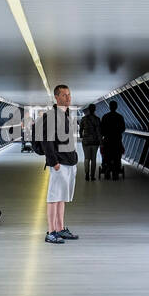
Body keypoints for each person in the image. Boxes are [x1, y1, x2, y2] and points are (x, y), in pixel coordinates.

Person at [38, 84, 80, 244]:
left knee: (62, 197)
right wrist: (54, 162)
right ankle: (51, 231)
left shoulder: (66, 114)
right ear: (56, 97)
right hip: (59, 163)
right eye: (64, 95)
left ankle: (60, 228)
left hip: (69, 161)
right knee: (54, 197)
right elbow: (46, 141)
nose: (68, 98)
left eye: (69, 94)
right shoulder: (52, 116)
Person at [99, 100, 126, 179]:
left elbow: (101, 129)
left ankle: (106, 168)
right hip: (117, 140)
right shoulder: (120, 117)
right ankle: (116, 171)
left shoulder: (105, 117)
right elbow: (123, 128)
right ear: (116, 107)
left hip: (107, 140)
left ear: (109, 107)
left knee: (106, 155)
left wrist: (105, 135)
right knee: (117, 156)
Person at [79, 103, 101, 181]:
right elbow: (99, 131)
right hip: (95, 142)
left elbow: (80, 129)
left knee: (86, 158)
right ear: (95, 109)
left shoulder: (84, 119)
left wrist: (82, 136)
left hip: (86, 142)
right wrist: (100, 141)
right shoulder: (97, 119)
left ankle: (87, 175)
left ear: (88, 109)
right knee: (94, 159)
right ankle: (92, 176)